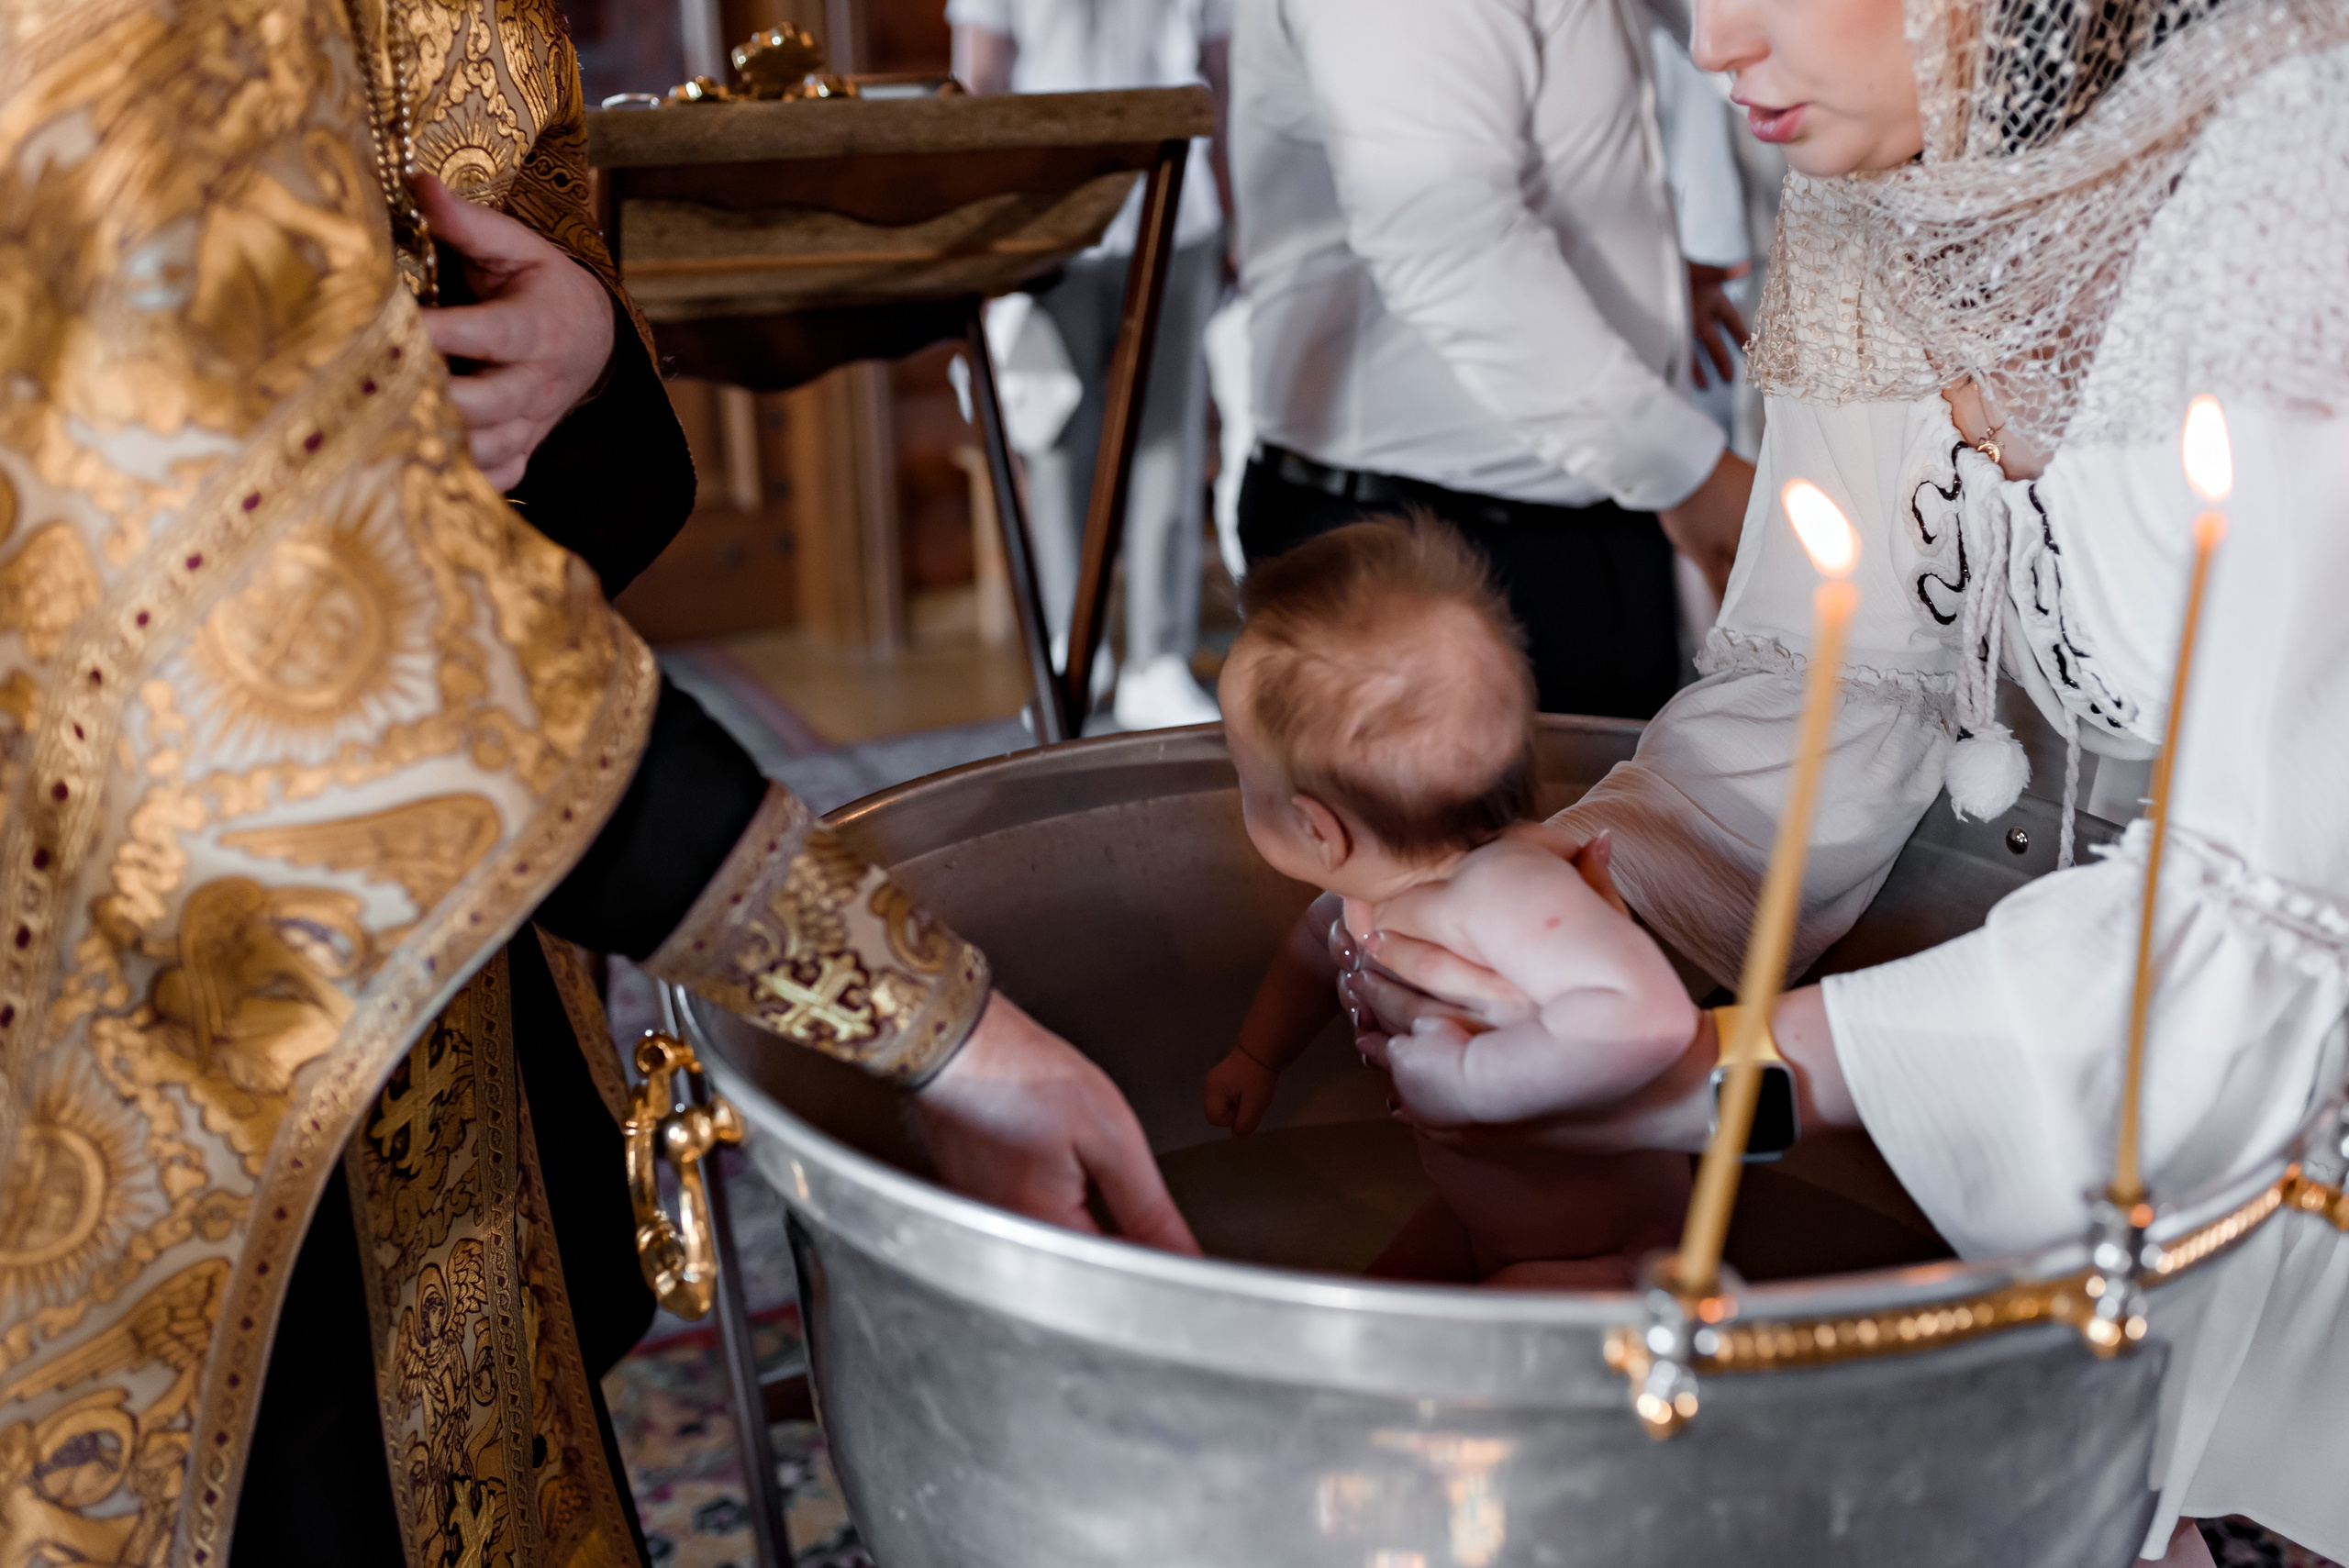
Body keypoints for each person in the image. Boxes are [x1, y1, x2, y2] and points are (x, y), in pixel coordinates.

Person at [0, 5, 1193, 1567]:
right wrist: (929, 1020)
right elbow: (295, 595)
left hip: (456, 952)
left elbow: (513, 430)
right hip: (142, 994)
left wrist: (581, 353)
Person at [1343, 0, 2349, 1559]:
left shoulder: (2302, 158)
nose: (1712, 41)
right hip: (2078, 1122)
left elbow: (2280, 911)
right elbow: (1834, 679)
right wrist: (1566, 920)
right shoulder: (1895, 167)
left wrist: (1702, 1079)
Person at [1228, 0, 1757, 720]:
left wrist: (1641, 288)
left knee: (1610, 820)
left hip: (1583, 514)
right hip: (1419, 552)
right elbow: (1451, 248)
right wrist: (1690, 474)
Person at [1200, 520, 1691, 1285]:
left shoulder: (1502, 890)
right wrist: (1258, 1053)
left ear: (1317, 828)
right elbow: (1309, 954)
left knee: (1451, 1367)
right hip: (1479, 1216)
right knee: (1370, 1314)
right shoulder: (1370, 893)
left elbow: (1649, 1016)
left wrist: (1468, 1077)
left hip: (1602, 1257)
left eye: (1240, 772)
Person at [951, 0, 1230, 729]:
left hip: (1177, 210)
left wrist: (1243, 217)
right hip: (1050, 217)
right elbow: (980, 82)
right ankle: (1074, 645)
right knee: (1056, 437)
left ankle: (1157, 659)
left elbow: (1221, 78)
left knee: (1168, 435)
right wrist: (982, 238)